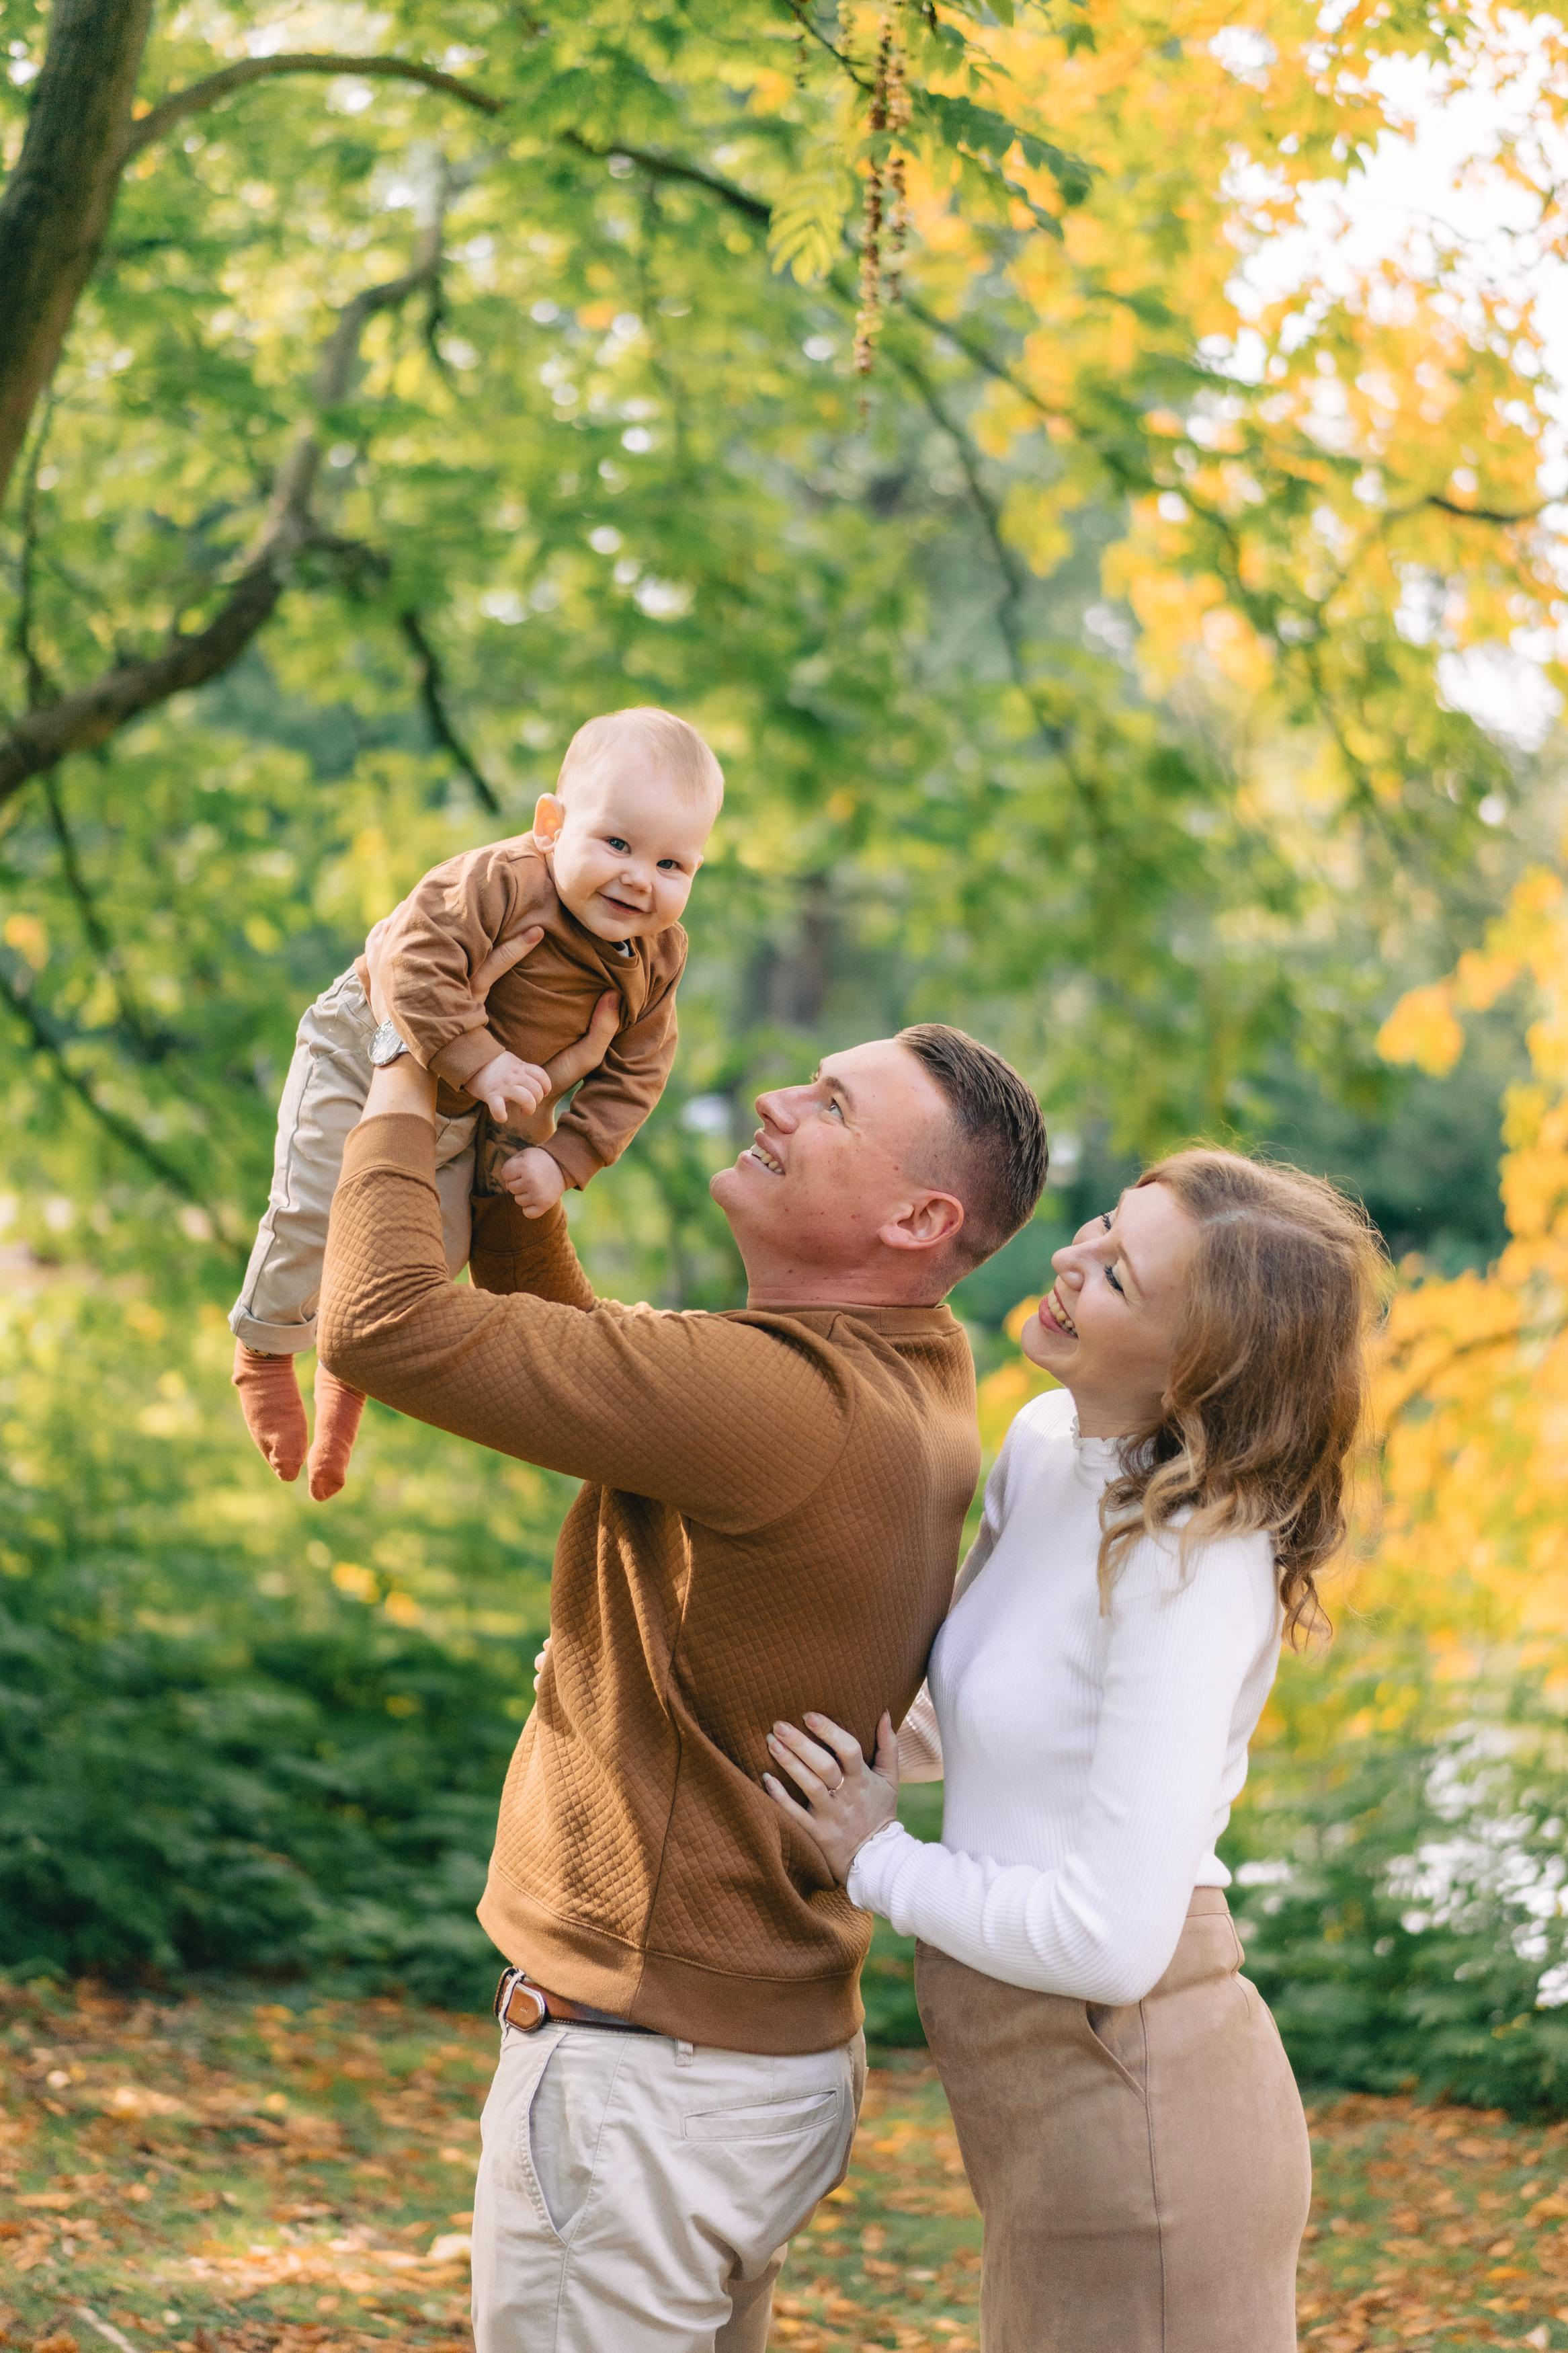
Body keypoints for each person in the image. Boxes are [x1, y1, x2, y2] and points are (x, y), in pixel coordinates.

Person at [315, 931, 1048, 2353]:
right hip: (744, 2063)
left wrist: (412, 1063)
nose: (776, 1102)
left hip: (640, 2086)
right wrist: (522, 1162)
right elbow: (618, 1381)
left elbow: (383, 1325)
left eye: (832, 1107)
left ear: (915, 1221)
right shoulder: (906, 1369)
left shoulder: (785, 1403)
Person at [764, 1150, 1381, 2353]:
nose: (1065, 1263)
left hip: (1140, 2120)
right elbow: (991, 1720)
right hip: (1047, 2111)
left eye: (1117, 1279)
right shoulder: (1048, 1444)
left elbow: (1108, 1941)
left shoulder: (1190, 1562)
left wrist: (876, 1859)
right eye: (1100, 1228)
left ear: (1197, 1363)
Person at [230, 705, 722, 1498]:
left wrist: (564, 1157)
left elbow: (637, 1068)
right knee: (314, 1203)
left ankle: (345, 1366)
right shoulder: (496, 880)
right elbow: (413, 964)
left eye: (673, 865)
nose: (639, 877)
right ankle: (262, 1344)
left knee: (432, 1248)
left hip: (473, 1107)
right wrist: (482, 1059)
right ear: (551, 824)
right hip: (365, 1047)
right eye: (618, 843)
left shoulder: (656, 956)